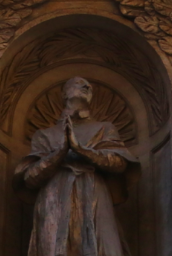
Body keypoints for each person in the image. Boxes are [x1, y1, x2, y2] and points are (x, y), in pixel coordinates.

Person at [15, 76, 136, 256]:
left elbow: (119, 164)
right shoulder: (44, 135)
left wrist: (81, 150)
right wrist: (60, 152)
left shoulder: (104, 128)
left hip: (94, 192)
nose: (86, 86)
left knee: (105, 248)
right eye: (79, 83)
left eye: (88, 86)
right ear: (64, 93)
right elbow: (30, 178)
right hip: (54, 195)